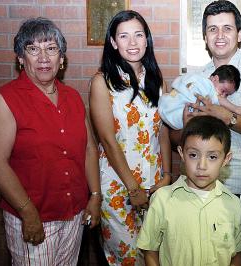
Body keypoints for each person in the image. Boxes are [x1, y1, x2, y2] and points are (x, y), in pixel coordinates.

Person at [0, 17, 101, 265]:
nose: (43, 57)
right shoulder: (6, 99)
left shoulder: (73, 97)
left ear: (61, 58)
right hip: (32, 217)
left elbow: (88, 149)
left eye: (51, 49)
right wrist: (27, 211)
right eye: (33, 49)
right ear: (21, 58)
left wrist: (95, 196)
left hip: (74, 214)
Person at [171, 0, 241, 195]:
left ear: (239, 35)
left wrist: (227, 117)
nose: (220, 35)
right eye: (213, 29)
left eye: (227, 28)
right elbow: (173, 137)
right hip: (197, 189)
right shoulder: (193, 80)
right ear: (205, 37)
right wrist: (186, 126)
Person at [89, 10, 171, 265]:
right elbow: (107, 139)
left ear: (147, 39)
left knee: (153, 256)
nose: (132, 43)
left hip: (154, 185)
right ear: (113, 42)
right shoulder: (102, 82)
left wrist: (167, 175)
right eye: (124, 36)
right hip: (119, 187)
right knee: (126, 258)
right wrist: (132, 187)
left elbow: (164, 132)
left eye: (138, 35)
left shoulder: (157, 82)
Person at [137, 115, 241, 265]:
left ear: (226, 159)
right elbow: (150, 251)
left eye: (212, 157)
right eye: (193, 155)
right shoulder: (162, 200)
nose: (202, 165)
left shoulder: (234, 205)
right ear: (182, 154)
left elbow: (238, 255)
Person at [159, 64, 241, 130]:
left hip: (165, 105)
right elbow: (219, 99)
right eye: (223, 90)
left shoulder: (194, 76)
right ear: (214, 79)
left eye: (227, 95)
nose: (223, 96)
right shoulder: (207, 85)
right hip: (176, 113)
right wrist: (235, 108)